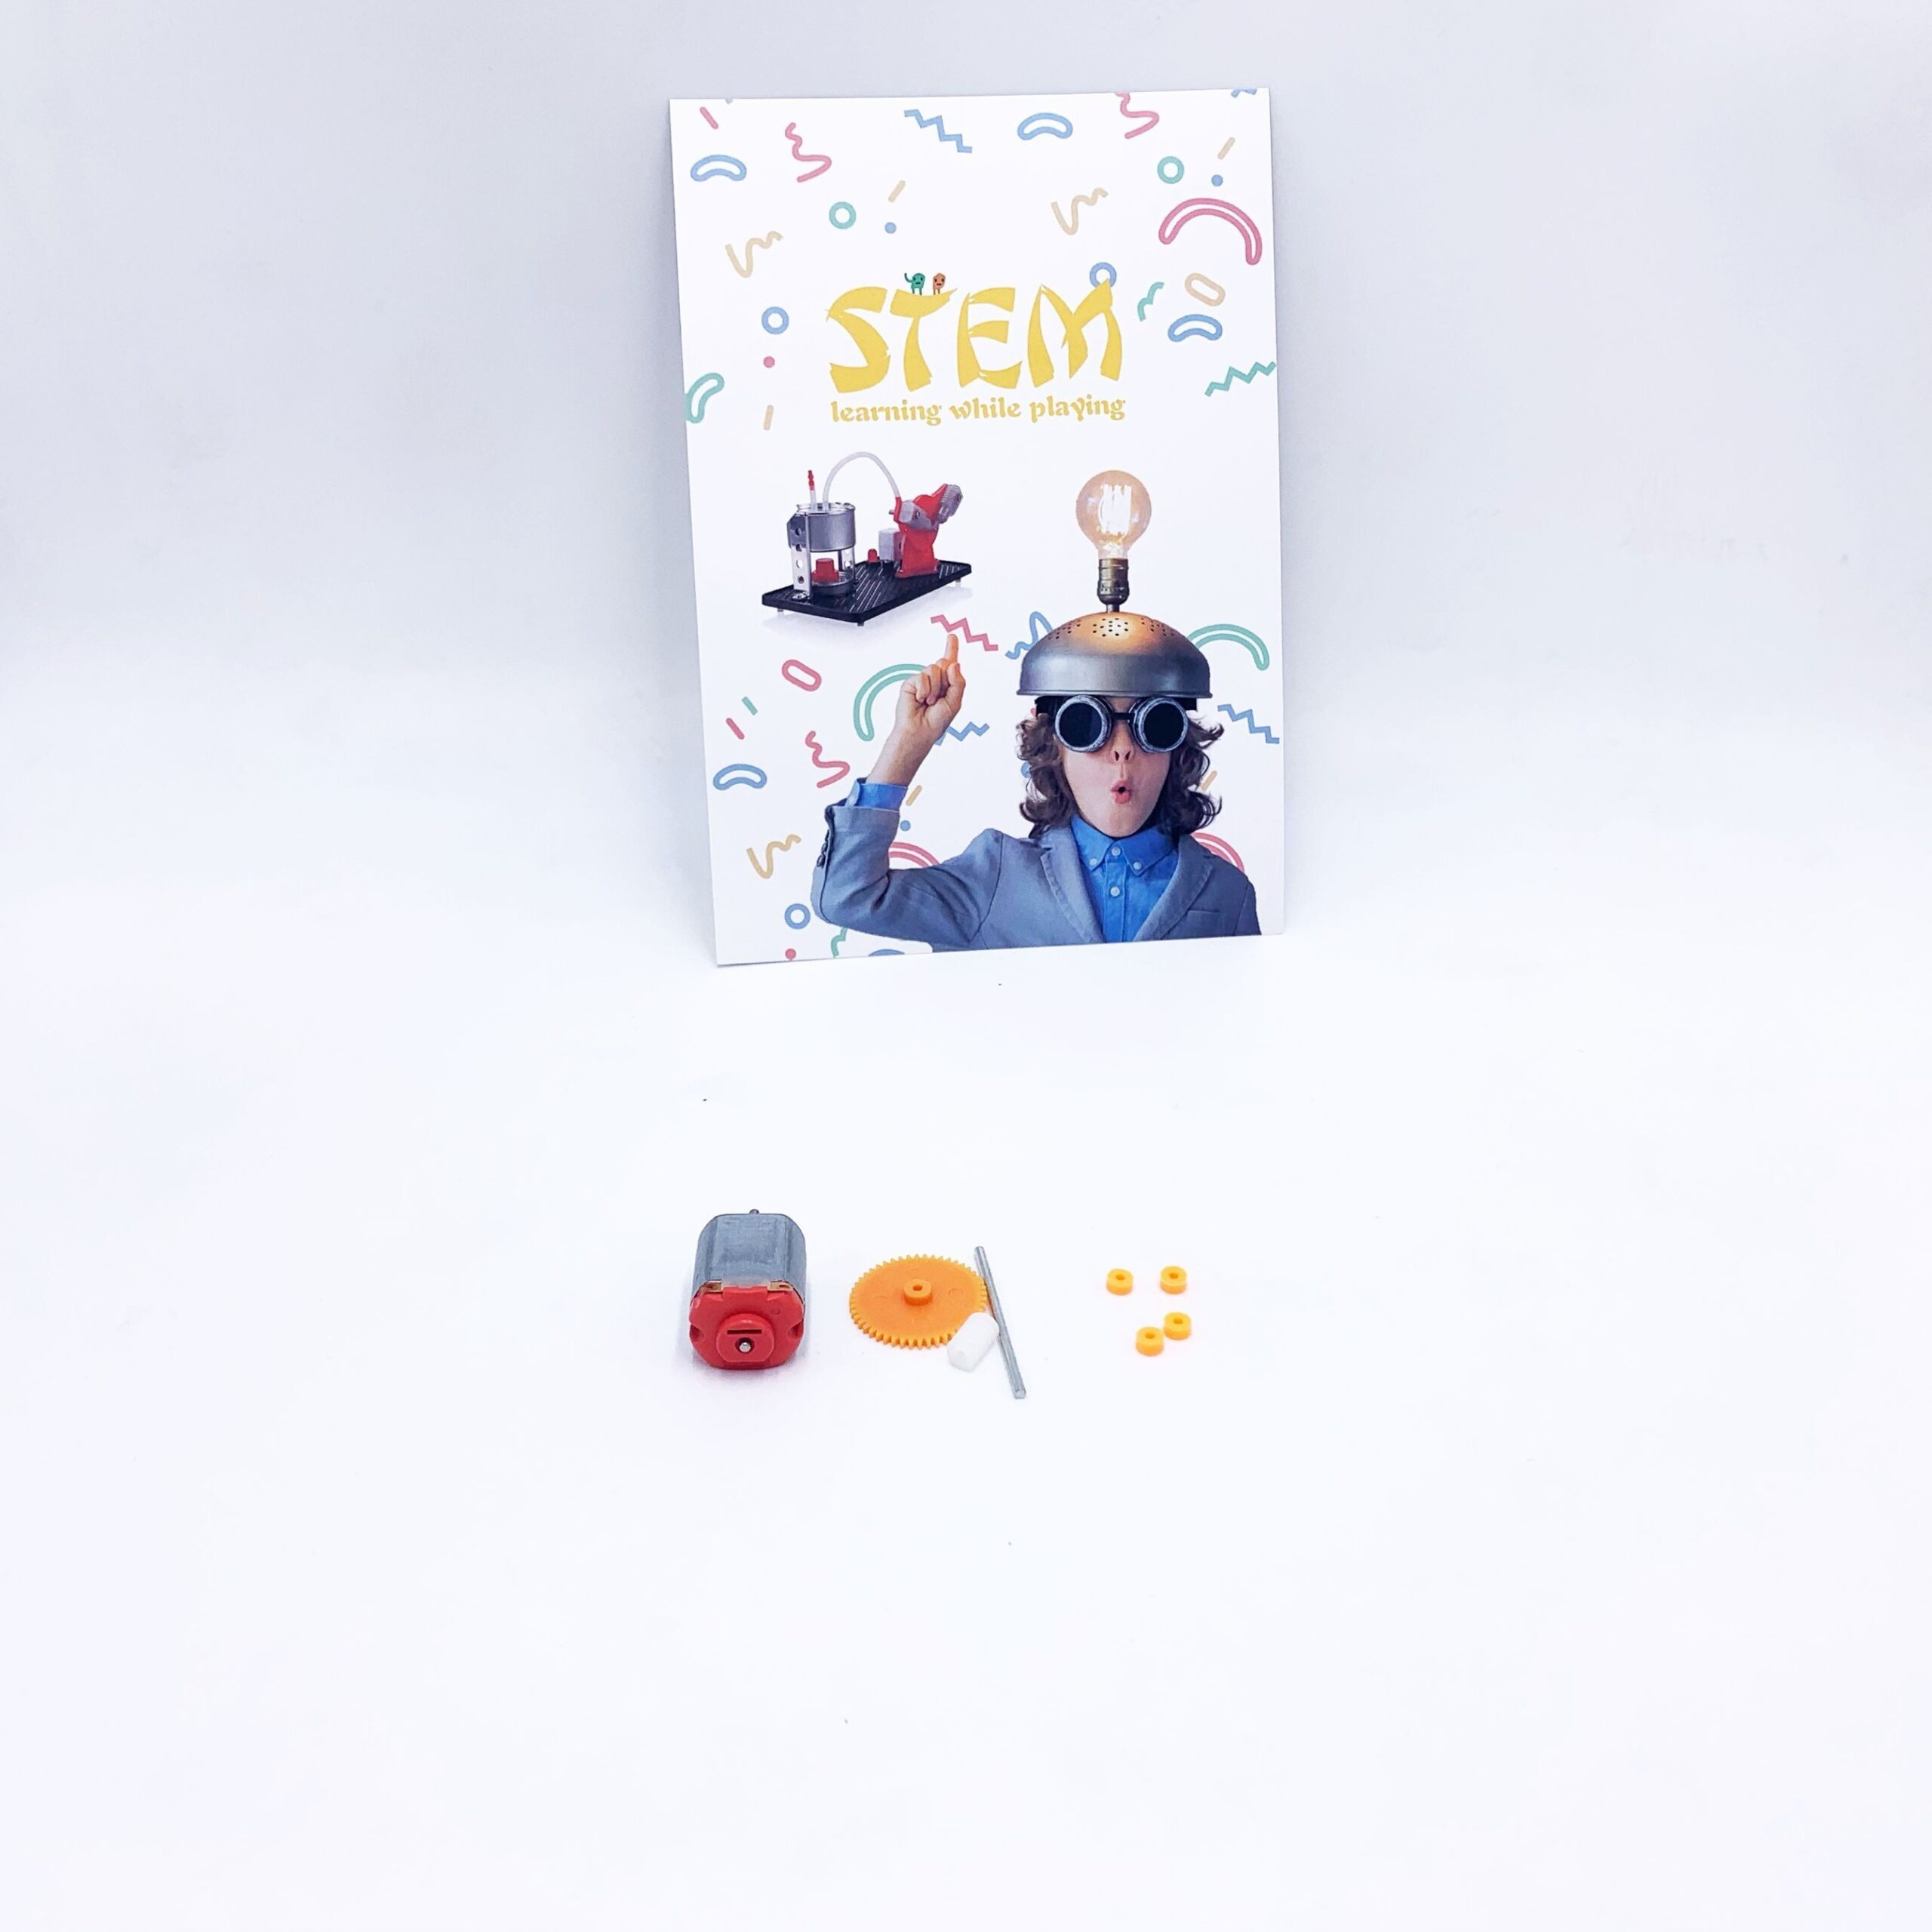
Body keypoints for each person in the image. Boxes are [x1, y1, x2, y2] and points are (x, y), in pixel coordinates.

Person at [811, 624, 1260, 950]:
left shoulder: (1227, 893)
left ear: (1177, 748)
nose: (1123, 749)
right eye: (1087, 725)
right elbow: (848, 897)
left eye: (1156, 725)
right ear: (1054, 747)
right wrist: (908, 745)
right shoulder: (996, 876)